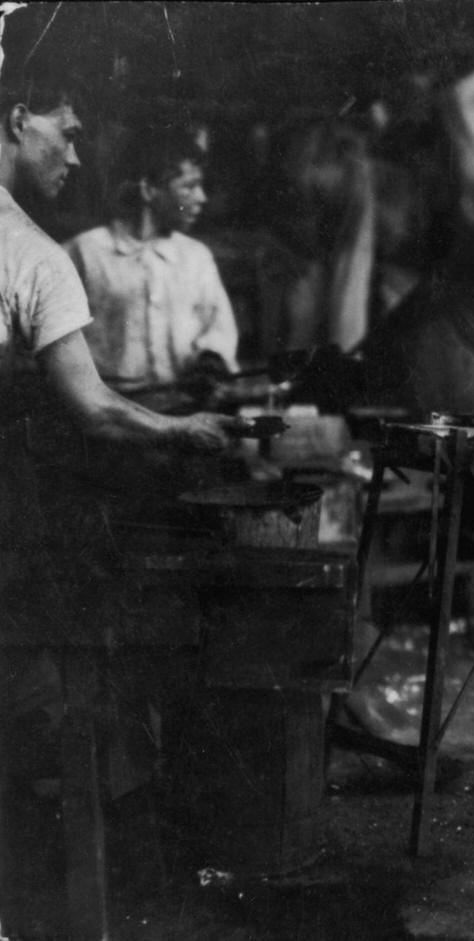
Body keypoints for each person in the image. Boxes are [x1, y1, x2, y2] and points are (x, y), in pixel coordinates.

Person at [0, 73, 240, 820]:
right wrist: (182, 431)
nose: (75, 156)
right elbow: (95, 408)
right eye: (66, 131)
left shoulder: (181, 259)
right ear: (18, 120)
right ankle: (108, 814)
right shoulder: (41, 255)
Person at [64, 127, 238, 399]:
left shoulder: (195, 257)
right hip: (111, 411)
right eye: (189, 186)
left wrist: (210, 361)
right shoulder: (87, 252)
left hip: (183, 407)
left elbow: (218, 326)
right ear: (148, 189)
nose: (201, 198)